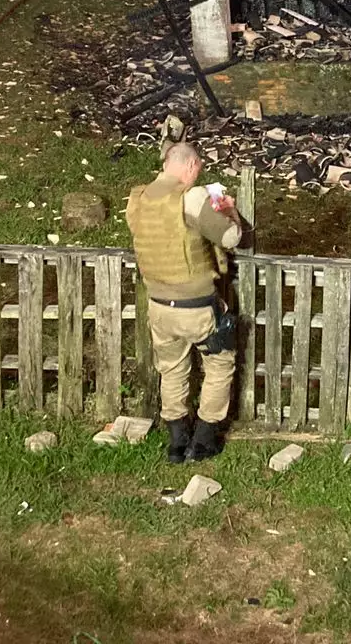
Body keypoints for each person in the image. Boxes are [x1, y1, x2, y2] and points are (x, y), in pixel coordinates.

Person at [124, 140, 247, 463]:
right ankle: (204, 439)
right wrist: (228, 211)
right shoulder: (192, 197)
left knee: (172, 368)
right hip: (196, 305)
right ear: (192, 167)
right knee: (220, 362)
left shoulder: (138, 199)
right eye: (199, 170)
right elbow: (231, 238)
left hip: (159, 304)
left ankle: (177, 440)